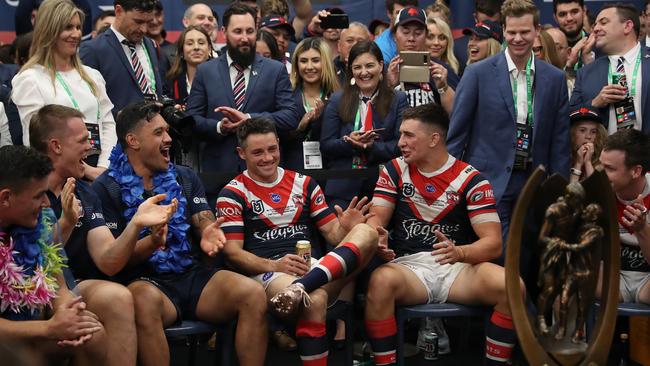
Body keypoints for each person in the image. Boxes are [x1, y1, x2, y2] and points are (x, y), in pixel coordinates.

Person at [92, 101, 268, 366]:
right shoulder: (107, 188)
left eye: (167, 131)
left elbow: (202, 218)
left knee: (252, 293)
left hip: (191, 275)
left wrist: (208, 230)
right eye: (158, 133)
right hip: (145, 281)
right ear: (133, 140)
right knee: (141, 300)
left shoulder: (184, 176)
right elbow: (116, 261)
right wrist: (152, 242)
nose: (169, 138)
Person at [364, 103, 521, 366]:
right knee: (380, 282)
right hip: (409, 268)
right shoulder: (393, 170)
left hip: (457, 267)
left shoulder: (471, 179)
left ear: (434, 139)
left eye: (409, 135)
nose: (400, 142)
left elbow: (493, 244)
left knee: (512, 287)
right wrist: (375, 235)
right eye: (401, 135)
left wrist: (461, 252)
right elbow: (377, 218)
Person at [218, 117, 377, 366]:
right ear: (241, 153)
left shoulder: (304, 183)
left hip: (315, 269)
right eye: (258, 152)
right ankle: (302, 288)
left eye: (272, 149)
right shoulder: (232, 193)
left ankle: (303, 286)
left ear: (279, 145)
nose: (268, 158)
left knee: (368, 234)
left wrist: (346, 227)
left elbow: (333, 236)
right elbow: (232, 254)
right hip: (269, 275)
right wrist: (274, 266)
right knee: (314, 300)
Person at [29, 104, 178, 366]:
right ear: (56, 146)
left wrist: (136, 225)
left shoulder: (85, 192)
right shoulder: (23, 190)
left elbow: (108, 260)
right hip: (29, 284)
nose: (90, 147)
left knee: (117, 296)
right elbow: (30, 260)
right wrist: (66, 224)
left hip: (75, 283)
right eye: (83, 140)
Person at [448, 0, 570, 259]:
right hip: (489, 180)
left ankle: (523, 300)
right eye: (512, 32)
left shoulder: (555, 79)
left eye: (525, 32)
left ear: (537, 30)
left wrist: (558, 191)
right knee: (498, 255)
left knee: (530, 255)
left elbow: (559, 141)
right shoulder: (477, 73)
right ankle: (506, 300)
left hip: (535, 180)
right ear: (503, 30)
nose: (518, 38)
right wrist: (450, 185)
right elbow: (457, 134)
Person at [0, 145, 106, 364]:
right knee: (26, 358)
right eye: (39, 196)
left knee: (92, 334)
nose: (48, 203)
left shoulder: (40, 222)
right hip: (8, 337)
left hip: (32, 329)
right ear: (6, 198)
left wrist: (68, 312)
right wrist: (49, 328)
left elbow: (59, 287)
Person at [186, 2, 298, 174]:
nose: (245, 38)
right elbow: (192, 120)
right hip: (218, 173)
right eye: (238, 31)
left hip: (265, 172)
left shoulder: (275, 70)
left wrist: (249, 119)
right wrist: (219, 127)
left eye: (250, 31)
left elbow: (290, 116)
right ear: (224, 32)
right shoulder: (205, 71)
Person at [11, 0, 117, 181]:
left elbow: (107, 123)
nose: (76, 34)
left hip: (101, 174)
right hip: (59, 178)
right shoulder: (29, 79)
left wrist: (102, 168)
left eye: (78, 27)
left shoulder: (92, 76)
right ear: (49, 30)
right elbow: (36, 141)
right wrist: (86, 171)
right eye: (68, 27)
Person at [320, 40, 408, 208]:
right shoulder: (337, 100)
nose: (364, 72)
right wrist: (349, 141)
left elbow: (401, 145)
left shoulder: (398, 100)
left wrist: (371, 146)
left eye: (369, 66)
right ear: (351, 70)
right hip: (342, 186)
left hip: (383, 186)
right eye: (357, 67)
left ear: (381, 65)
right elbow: (326, 144)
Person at [570, 3, 650, 135]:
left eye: (603, 22)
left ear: (627, 26)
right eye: (595, 24)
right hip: (604, 153)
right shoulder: (586, 72)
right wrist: (595, 103)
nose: (595, 29)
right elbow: (569, 115)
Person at [80, 0, 164, 115]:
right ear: (119, 11)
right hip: (115, 130)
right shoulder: (93, 50)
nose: (144, 29)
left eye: (148, 22)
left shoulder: (151, 45)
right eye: (138, 22)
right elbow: (88, 104)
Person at [598, 129, 650, 304]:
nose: (601, 174)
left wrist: (642, 230)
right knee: (567, 278)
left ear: (636, 171)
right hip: (612, 278)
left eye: (610, 169)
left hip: (647, 282)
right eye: (601, 166)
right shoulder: (596, 192)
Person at [386, 7, 458, 113]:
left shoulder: (439, 69)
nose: (411, 38)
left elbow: (457, 114)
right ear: (394, 36)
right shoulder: (385, 71)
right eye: (405, 32)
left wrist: (443, 88)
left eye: (418, 33)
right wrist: (389, 85)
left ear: (425, 36)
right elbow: (377, 117)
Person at [284, 37, 339, 171]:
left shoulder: (337, 96)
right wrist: (299, 129)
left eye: (315, 60)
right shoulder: (286, 95)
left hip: (330, 171)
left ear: (325, 63)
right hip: (293, 169)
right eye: (303, 61)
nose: (309, 67)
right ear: (296, 64)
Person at [165, 26, 213, 104]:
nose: (196, 47)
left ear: (209, 49)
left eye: (201, 43)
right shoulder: (171, 82)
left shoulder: (221, 79)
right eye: (190, 43)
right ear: (181, 51)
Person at [454, 0, 503, 68]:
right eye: (483, 23)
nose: (471, 43)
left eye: (495, 24)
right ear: (475, 18)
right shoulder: (458, 50)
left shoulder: (512, 53)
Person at [552, 0, 595, 74]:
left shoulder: (597, 44)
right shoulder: (547, 48)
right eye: (562, 14)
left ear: (584, 12)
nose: (569, 18)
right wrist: (568, 66)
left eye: (574, 12)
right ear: (555, 18)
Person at [568, 107, 607, 183]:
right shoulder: (562, 159)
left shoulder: (603, 157)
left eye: (593, 132)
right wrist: (578, 164)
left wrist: (587, 162)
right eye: (582, 130)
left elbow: (599, 192)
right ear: (571, 133)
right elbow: (569, 192)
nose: (588, 136)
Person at [375, 0, 419, 64]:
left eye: (408, 12)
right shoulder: (381, 48)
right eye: (399, 13)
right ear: (389, 14)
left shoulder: (428, 39)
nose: (404, 17)